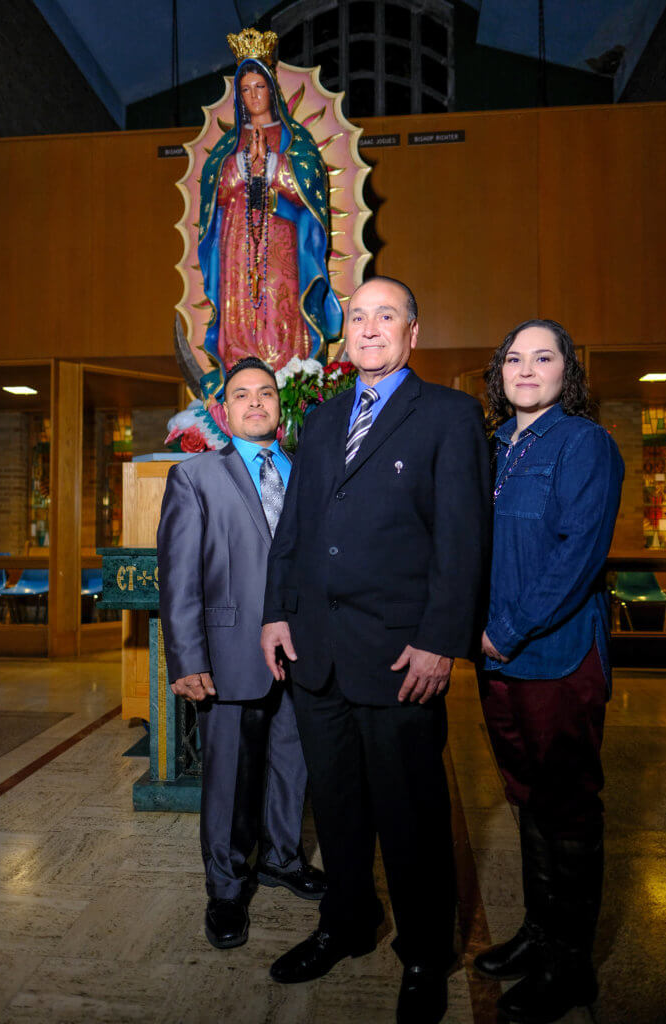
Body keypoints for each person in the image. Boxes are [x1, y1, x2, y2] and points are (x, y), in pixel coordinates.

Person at [261, 277, 491, 1024]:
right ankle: (346, 921)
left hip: (400, 660)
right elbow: (292, 530)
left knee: (411, 817)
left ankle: (425, 952)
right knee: (336, 809)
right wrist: (274, 615)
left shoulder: (451, 417)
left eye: (383, 316)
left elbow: (462, 540)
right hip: (316, 653)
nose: (366, 329)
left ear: (412, 332)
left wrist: (438, 642)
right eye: (355, 317)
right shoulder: (322, 420)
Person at [474, 320, 624, 1024]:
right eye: (514, 358)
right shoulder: (492, 447)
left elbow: (576, 557)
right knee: (525, 796)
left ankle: (571, 967)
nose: (525, 370)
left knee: (566, 806)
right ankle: (538, 936)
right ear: (498, 372)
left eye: (543, 358)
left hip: (555, 656)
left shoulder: (583, 444)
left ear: (569, 372)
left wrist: (503, 630)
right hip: (495, 659)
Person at [157, 356, 326, 951]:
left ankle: (281, 857)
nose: (256, 403)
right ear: (223, 411)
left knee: (292, 760)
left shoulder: (306, 470)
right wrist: (187, 659)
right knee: (229, 776)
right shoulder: (196, 476)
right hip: (228, 651)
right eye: (242, 396)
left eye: (266, 394)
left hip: (302, 651)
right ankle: (226, 888)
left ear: (280, 407)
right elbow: (177, 579)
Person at [197, 46, 342, 399]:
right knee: (241, 304)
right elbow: (214, 191)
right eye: (245, 90)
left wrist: (273, 166)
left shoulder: (297, 141)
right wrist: (244, 168)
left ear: (272, 90)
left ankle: (285, 377)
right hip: (236, 241)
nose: (252, 96)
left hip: (282, 235)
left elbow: (310, 187)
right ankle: (239, 377)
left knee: (281, 300)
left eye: (259, 87)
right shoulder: (229, 146)